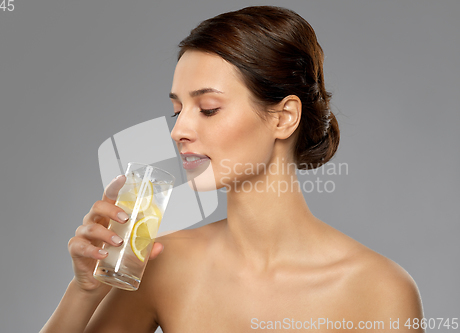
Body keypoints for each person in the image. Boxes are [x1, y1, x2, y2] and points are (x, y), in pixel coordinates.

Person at [42, 6, 424, 332]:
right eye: (177, 111)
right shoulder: (160, 265)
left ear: (284, 117)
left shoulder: (379, 291)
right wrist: (84, 292)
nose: (178, 131)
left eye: (208, 108)